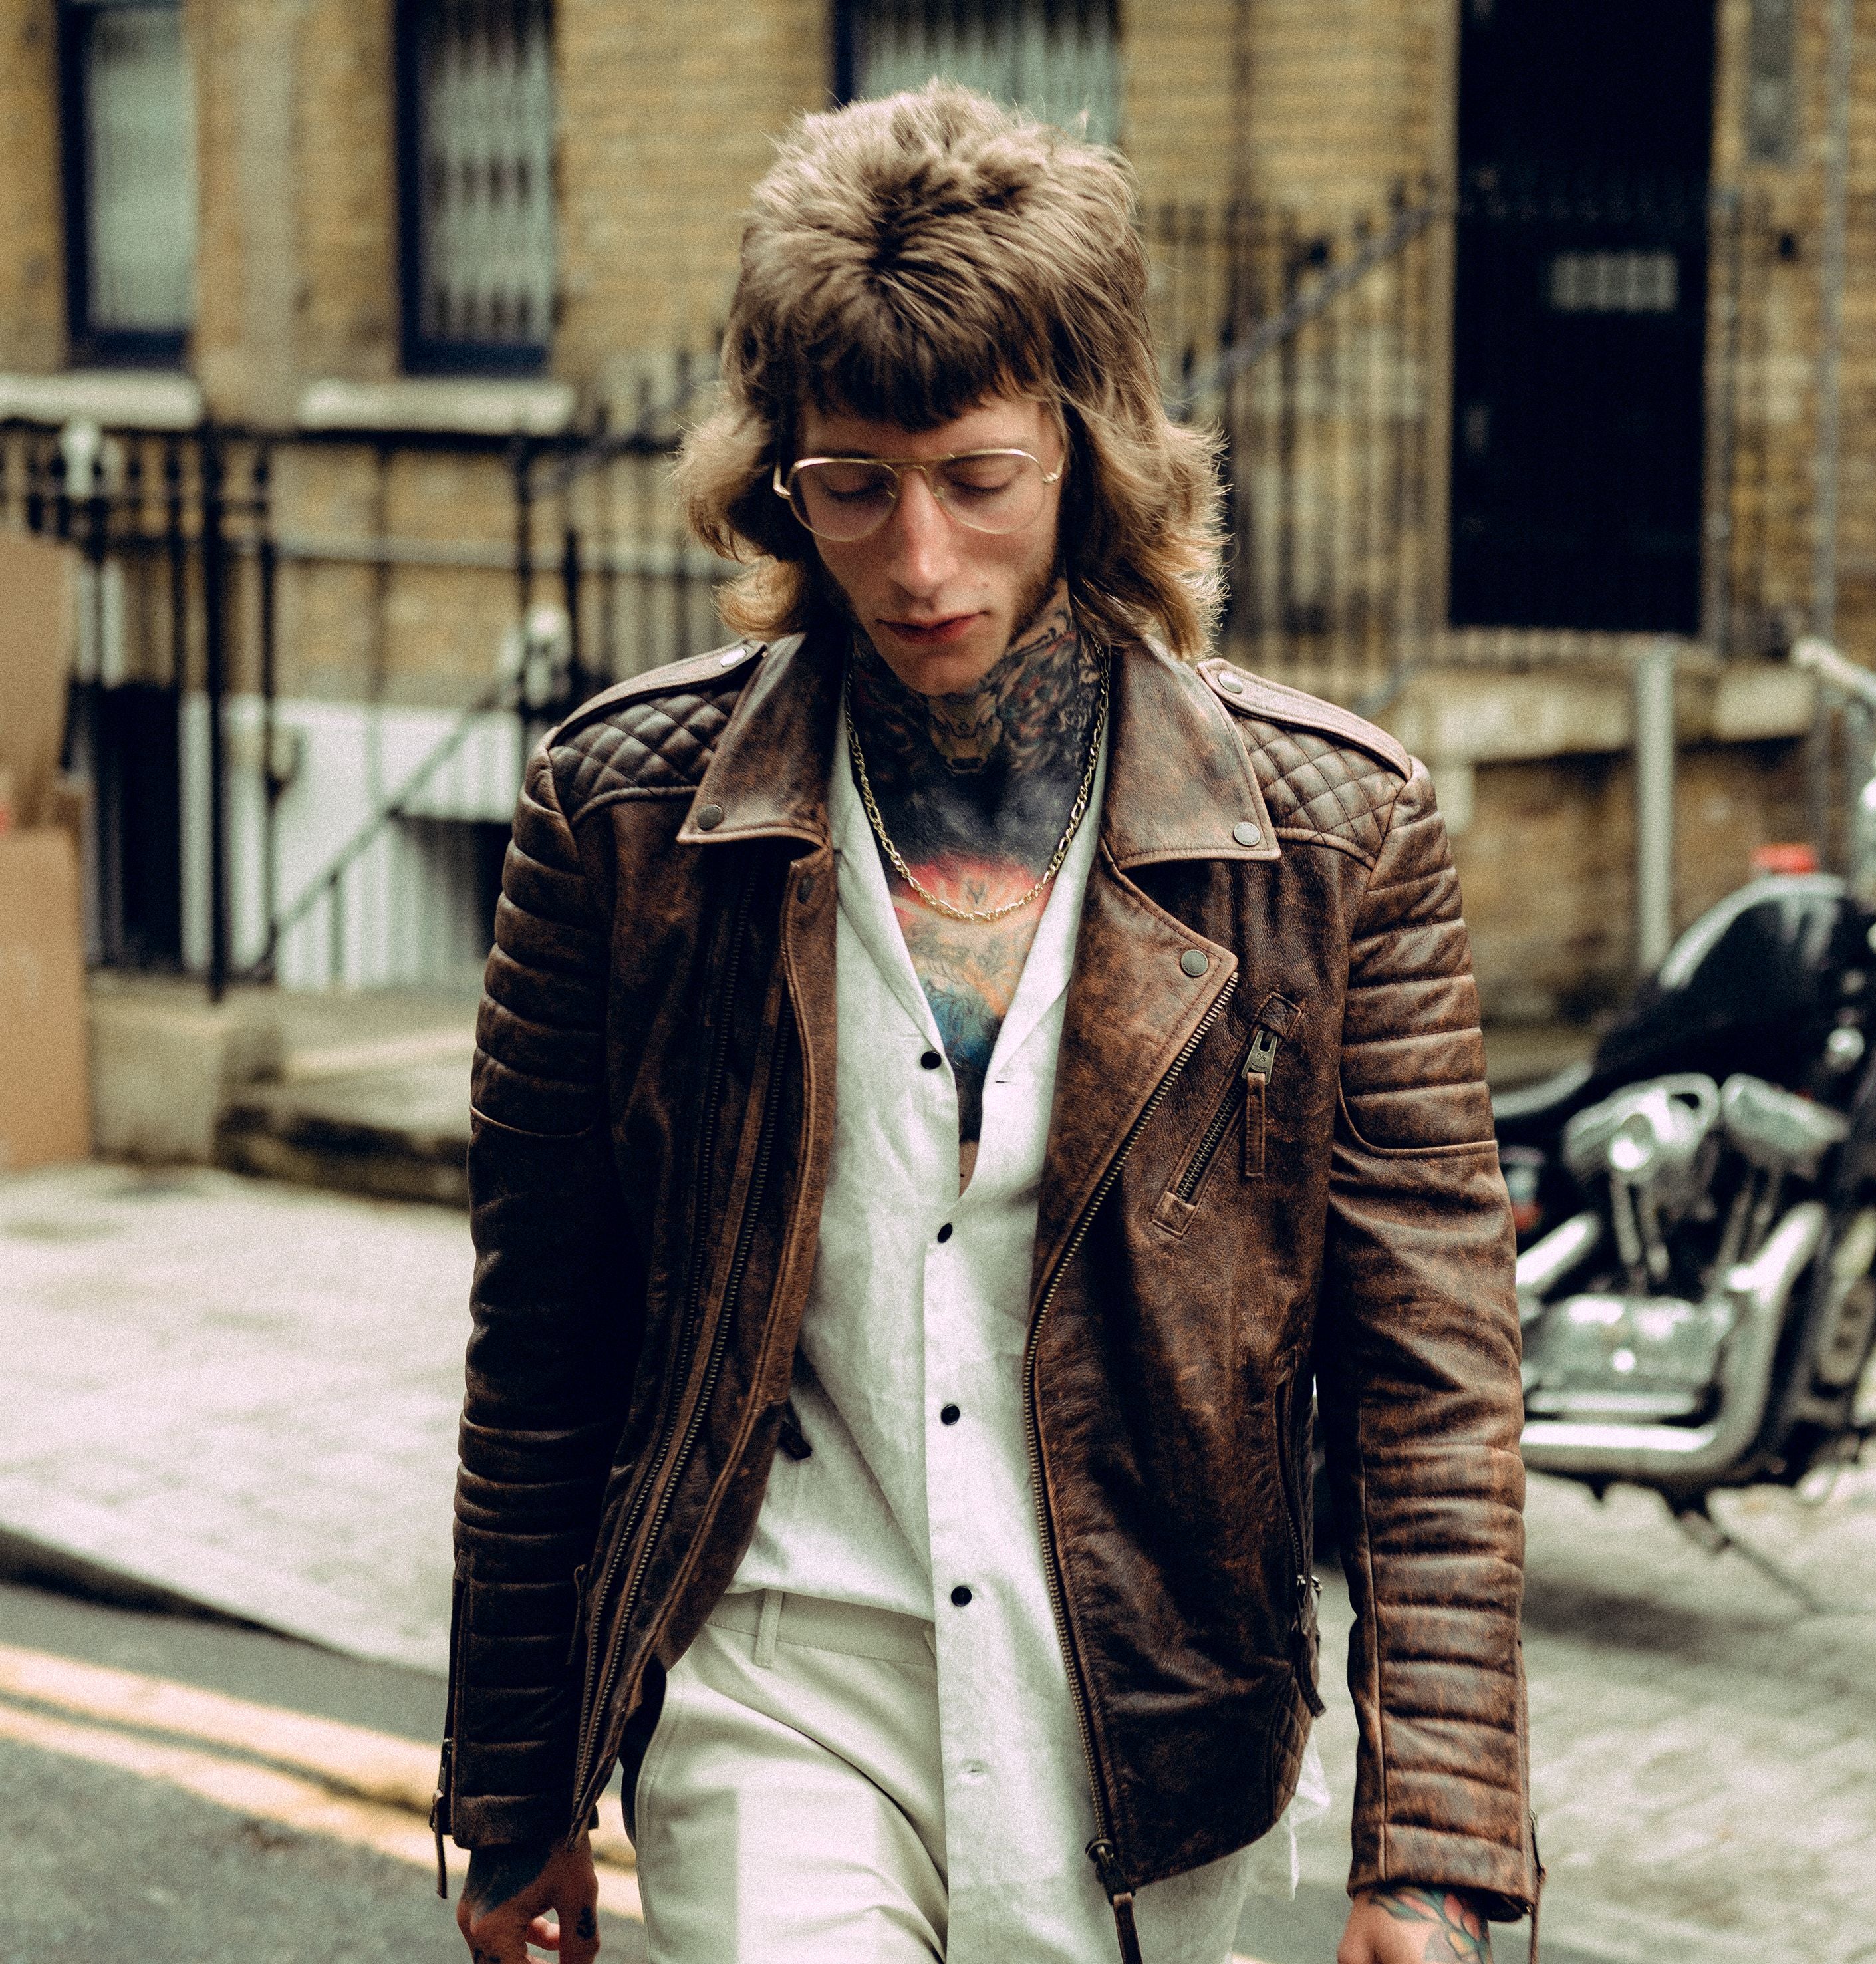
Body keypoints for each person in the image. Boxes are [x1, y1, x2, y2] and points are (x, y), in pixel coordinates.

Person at [436, 81, 1535, 1964]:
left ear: (1088, 456)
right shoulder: (622, 820)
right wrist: (515, 1778)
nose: (917, 560)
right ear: (780, 480)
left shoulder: (1333, 841)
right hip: (774, 1681)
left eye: (977, 477)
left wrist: (1429, 1841)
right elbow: (546, 1330)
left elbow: (1431, 1366)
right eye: (853, 484)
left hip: (1148, 1720)